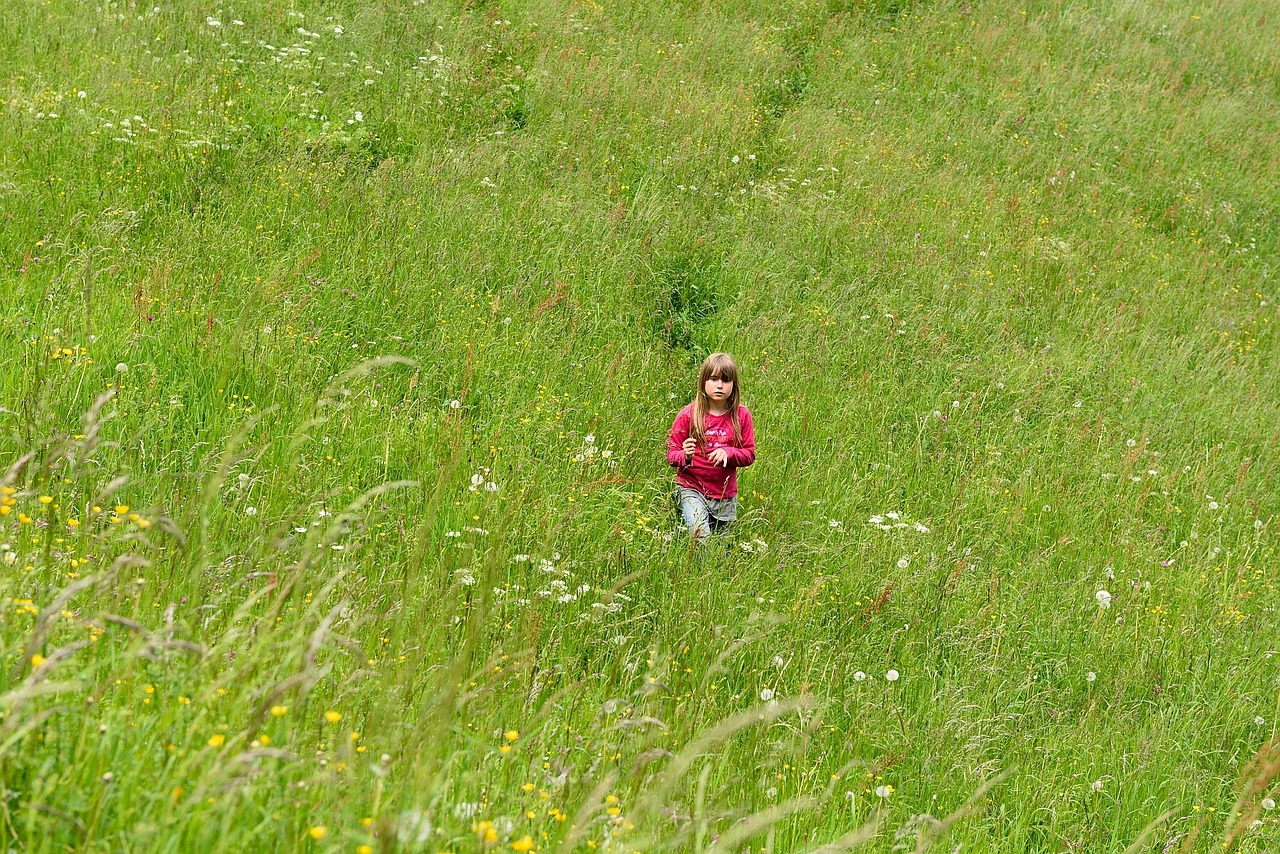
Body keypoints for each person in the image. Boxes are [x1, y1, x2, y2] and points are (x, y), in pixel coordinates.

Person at [666, 352, 756, 540]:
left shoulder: (741, 415)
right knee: (700, 534)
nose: (720, 385)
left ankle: (709, 570)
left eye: (726, 380)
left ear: (734, 384)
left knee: (721, 548)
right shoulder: (689, 415)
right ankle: (696, 568)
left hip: (724, 494)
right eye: (714, 379)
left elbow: (749, 454)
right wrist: (685, 455)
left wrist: (728, 452)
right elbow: (671, 455)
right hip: (691, 487)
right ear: (703, 381)